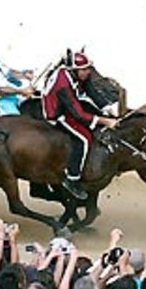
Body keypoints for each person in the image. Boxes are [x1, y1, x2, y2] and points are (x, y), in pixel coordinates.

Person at [41, 51, 118, 201]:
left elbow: (90, 90)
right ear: (73, 70)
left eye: (88, 68)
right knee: (84, 138)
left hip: (69, 105)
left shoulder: (77, 74)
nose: (87, 72)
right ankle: (72, 178)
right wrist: (105, 121)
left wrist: (106, 108)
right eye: (84, 69)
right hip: (57, 113)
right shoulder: (62, 84)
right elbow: (78, 114)